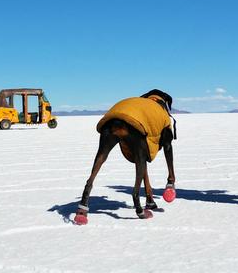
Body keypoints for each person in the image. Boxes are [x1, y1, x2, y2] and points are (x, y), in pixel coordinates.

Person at [72, 89, 177, 224]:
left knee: (100, 158)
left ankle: (83, 206)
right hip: (133, 122)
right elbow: (167, 147)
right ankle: (139, 207)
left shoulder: (140, 105)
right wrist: (171, 181)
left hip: (113, 118)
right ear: (165, 102)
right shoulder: (160, 114)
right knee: (140, 158)